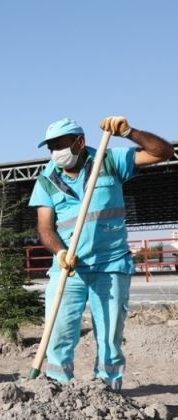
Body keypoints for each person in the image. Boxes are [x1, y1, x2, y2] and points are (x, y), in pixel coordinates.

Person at [29, 116, 173, 390]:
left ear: (80, 141)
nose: (55, 153)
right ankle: (59, 391)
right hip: (68, 268)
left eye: (60, 145)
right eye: (51, 147)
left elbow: (162, 152)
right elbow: (45, 228)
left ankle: (108, 391)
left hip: (111, 266)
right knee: (58, 333)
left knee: (109, 336)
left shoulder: (108, 160)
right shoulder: (46, 179)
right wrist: (60, 253)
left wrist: (130, 133)